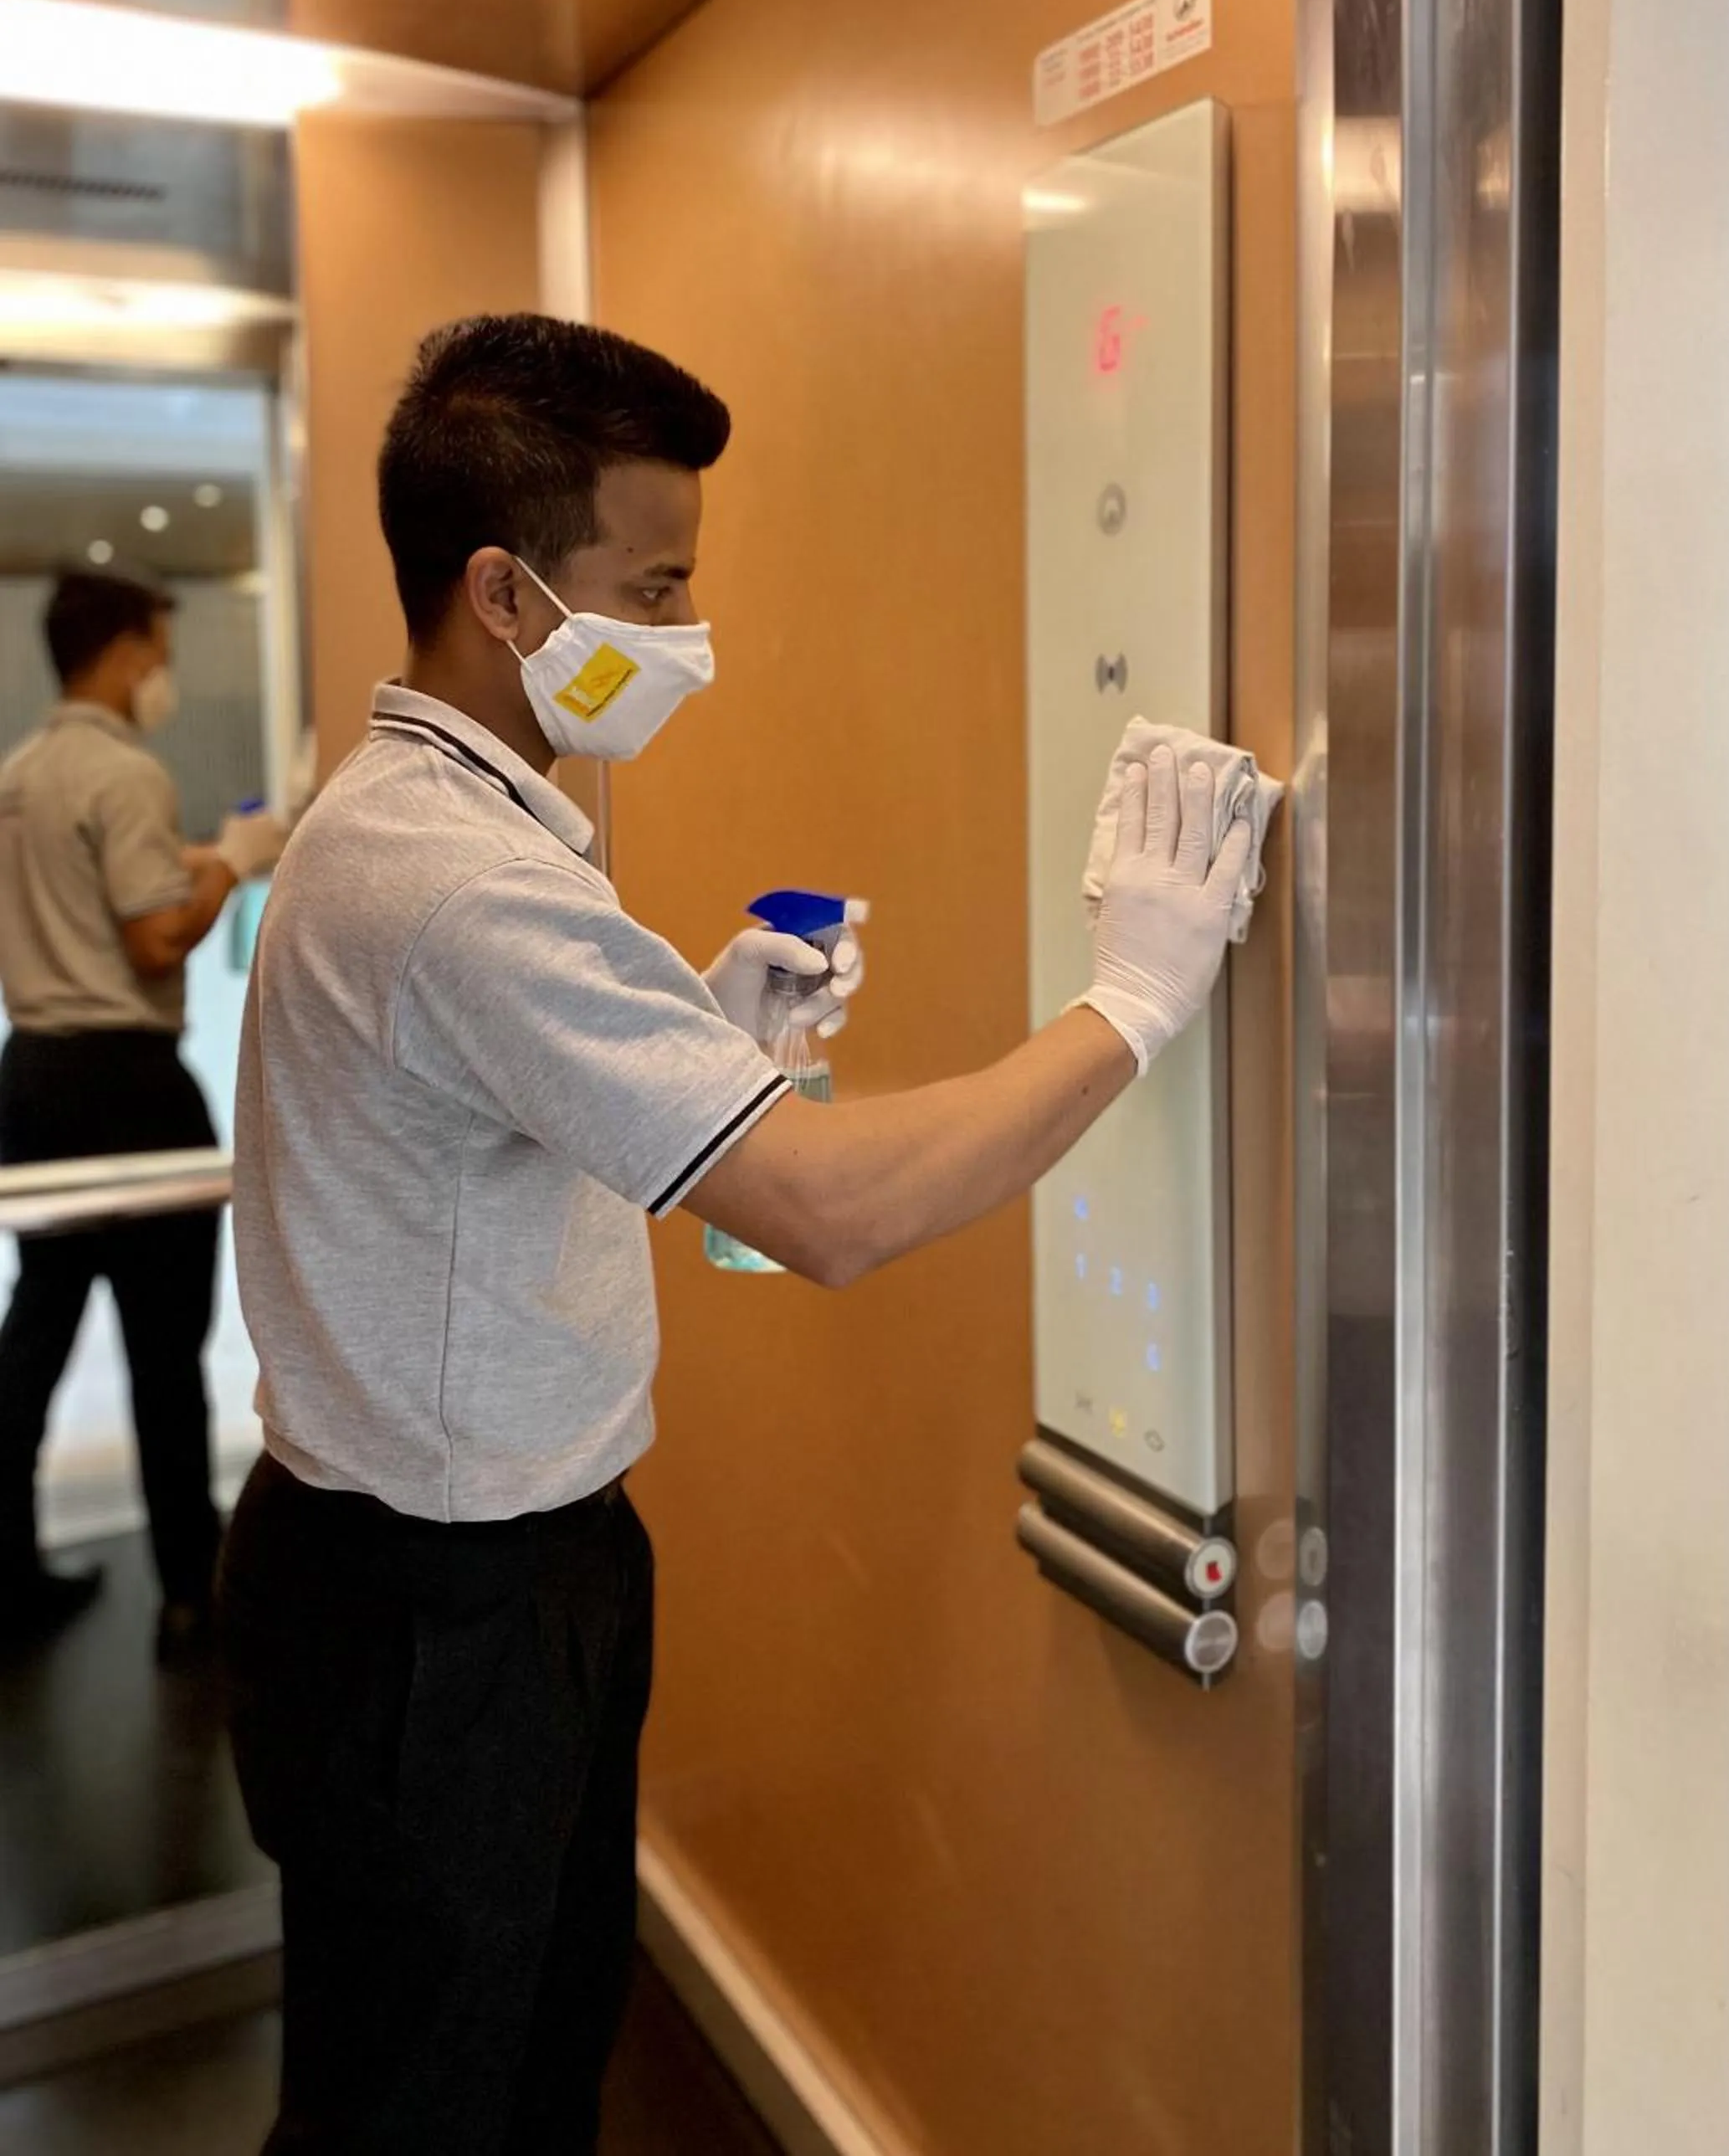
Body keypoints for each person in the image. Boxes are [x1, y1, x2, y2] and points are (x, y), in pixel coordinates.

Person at [219, 314, 1251, 2155]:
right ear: (506, 595)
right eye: (657, 583)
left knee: (528, 2050)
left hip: (489, 1572)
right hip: (434, 1619)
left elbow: (476, 1148)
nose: (691, 635)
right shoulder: (452, 879)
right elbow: (828, 1218)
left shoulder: (450, 825)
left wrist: (686, 1047)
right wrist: (1135, 1002)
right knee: (426, 2106)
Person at [0, 567, 286, 1661]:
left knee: (36, 1330)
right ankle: (188, 1599)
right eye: (162, 652)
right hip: (126, 1080)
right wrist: (237, 868)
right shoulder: (124, 775)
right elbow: (154, 942)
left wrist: (198, 866)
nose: (164, 676)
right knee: (166, 1348)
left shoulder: (19, 774)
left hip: (31, 1073)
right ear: (122, 649)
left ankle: (8, 1572)